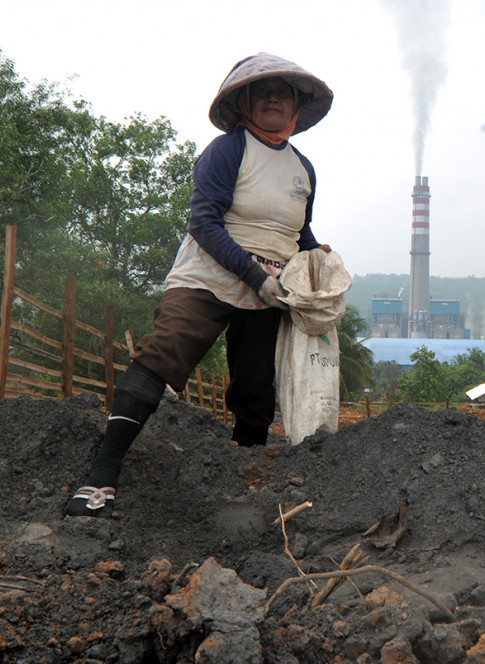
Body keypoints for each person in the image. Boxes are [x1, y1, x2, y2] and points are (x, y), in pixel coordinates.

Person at [64, 53, 334, 517]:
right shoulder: (228, 151)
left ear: (297, 106)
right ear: (245, 101)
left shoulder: (303, 168)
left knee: (255, 389)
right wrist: (252, 276)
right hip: (211, 271)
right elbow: (204, 223)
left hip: (271, 286)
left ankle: (245, 487)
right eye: (262, 90)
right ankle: (101, 477)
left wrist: (316, 256)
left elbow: (296, 232)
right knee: (164, 351)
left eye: (283, 92)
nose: (273, 98)